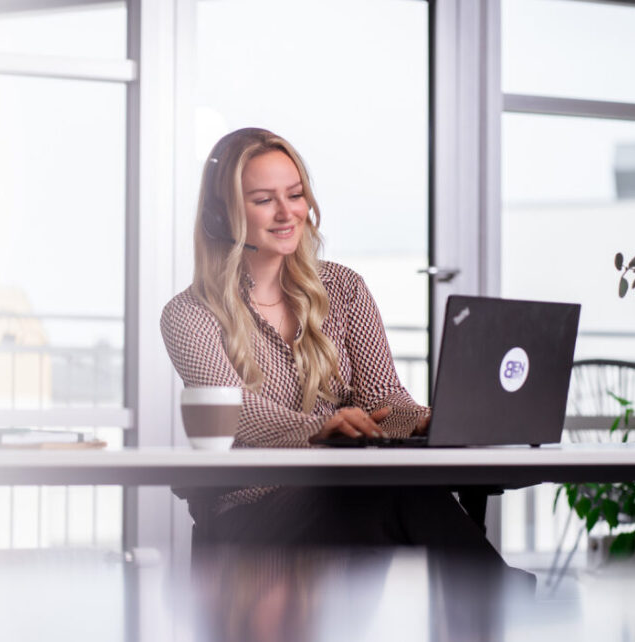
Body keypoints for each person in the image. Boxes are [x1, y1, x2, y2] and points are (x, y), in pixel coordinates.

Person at [159, 127, 520, 570]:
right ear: (221, 215)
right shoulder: (189, 313)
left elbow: (384, 400)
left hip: (352, 492)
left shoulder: (344, 288)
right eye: (263, 199)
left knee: (393, 492)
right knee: (392, 494)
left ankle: (486, 607)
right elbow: (238, 413)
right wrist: (319, 430)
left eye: (295, 194)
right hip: (255, 507)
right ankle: (497, 603)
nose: (286, 213)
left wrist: (431, 420)